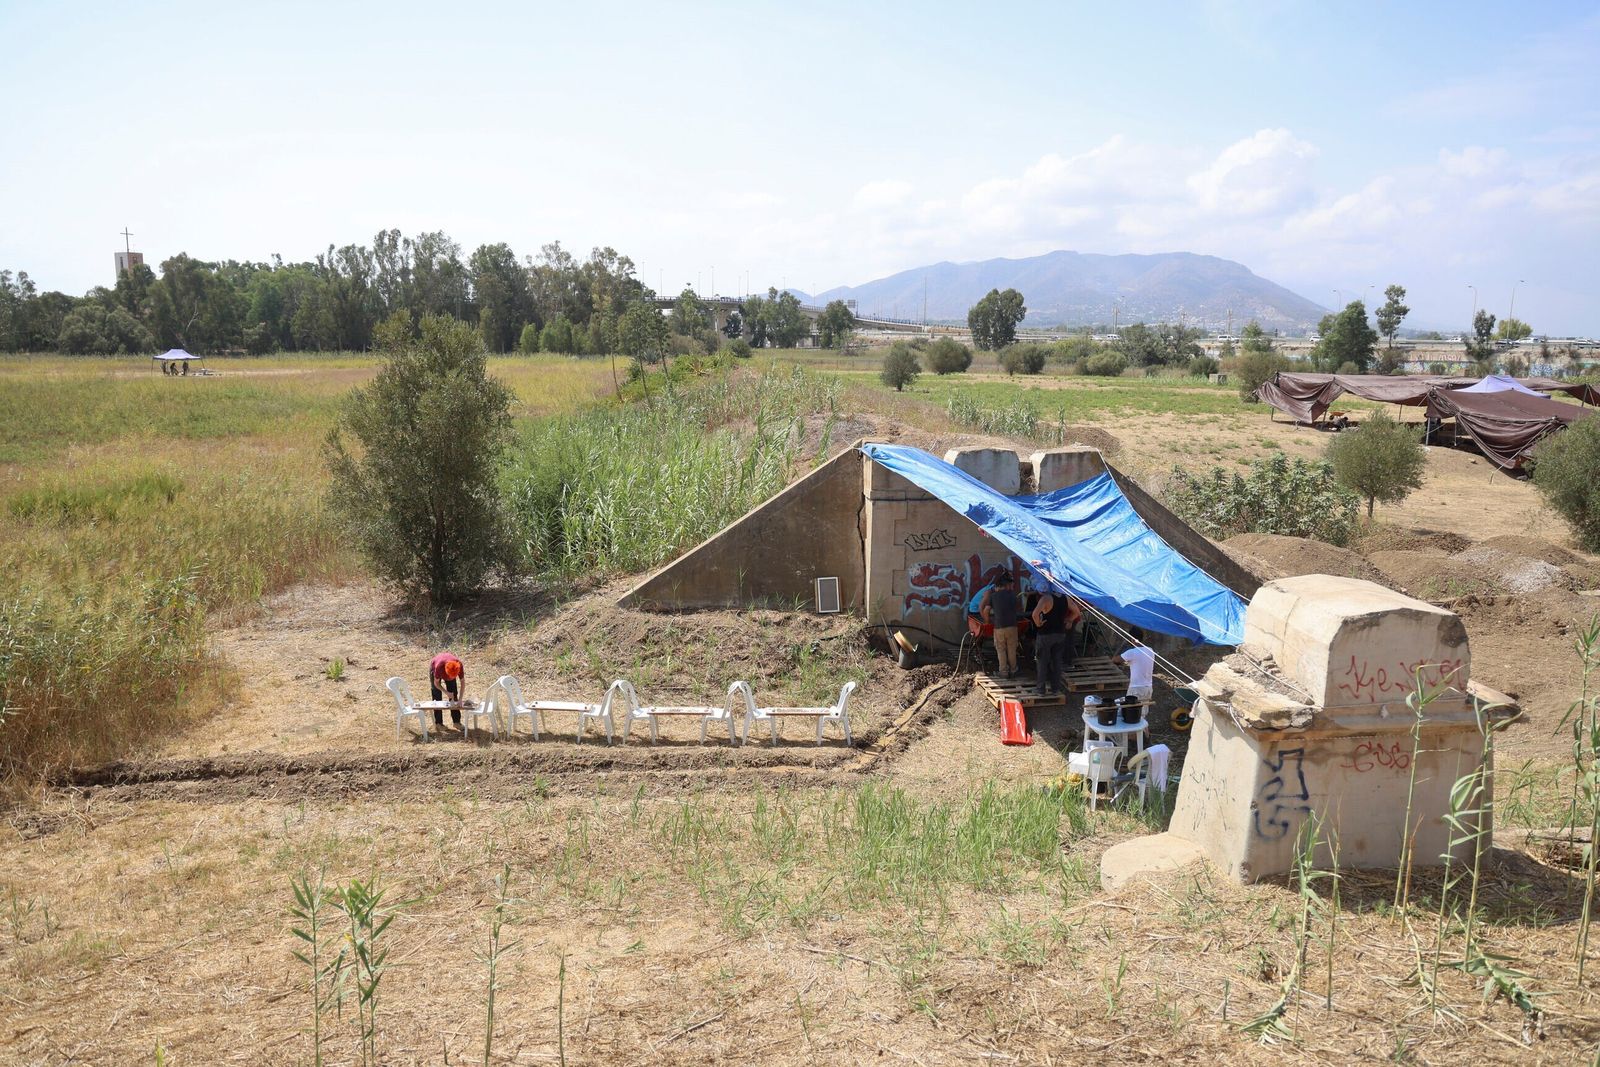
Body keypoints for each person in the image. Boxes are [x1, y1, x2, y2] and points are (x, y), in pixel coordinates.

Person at [1030, 583, 1081, 696]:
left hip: (1045, 634)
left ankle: (1041, 690)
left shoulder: (1046, 598)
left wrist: (1038, 624)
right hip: (1060, 634)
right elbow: (1077, 612)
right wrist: (1069, 620)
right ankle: (1055, 689)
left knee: (1042, 661)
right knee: (1057, 662)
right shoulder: (1066, 598)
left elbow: (1035, 614)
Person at [989, 573, 1022, 678]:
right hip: (1012, 626)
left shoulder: (993, 596)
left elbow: (986, 610)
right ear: (1007, 585)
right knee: (1012, 649)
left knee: (1001, 649)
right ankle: (1013, 670)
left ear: (998, 586)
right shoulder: (1012, 595)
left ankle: (1003, 672)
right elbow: (1019, 608)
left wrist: (987, 620)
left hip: (999, 627)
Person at [429, 651, 465, 730]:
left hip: (449, 668)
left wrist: (460, 699)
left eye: (454, 677)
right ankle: (438, 723)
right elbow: (436, 683)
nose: (451, 679)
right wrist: (446, 692)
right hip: (435, 665)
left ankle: (456, 722)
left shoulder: (459, 665)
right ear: (446, 671)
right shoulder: (439, 667)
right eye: (450, 677)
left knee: (454, 693)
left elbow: (462, 682)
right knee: (436, 695)